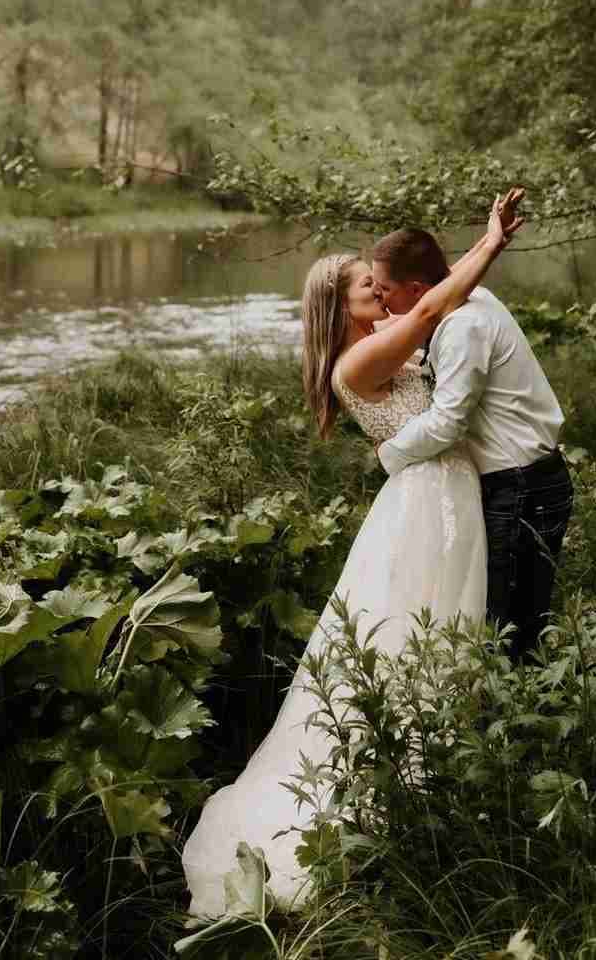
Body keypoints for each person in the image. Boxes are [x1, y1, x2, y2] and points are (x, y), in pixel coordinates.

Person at [180, 191, 525, 918]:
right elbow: (432, 307)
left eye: (379, 280)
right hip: (427, 501)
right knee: (416, 628)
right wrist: (490, 244)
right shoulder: (358, 359)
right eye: (367, 285)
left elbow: (426, 298)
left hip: (440, 492)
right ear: (342, 306)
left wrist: (476, 250)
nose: (382, 287)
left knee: (439, 627)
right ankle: (401, 789)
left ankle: (442, 776)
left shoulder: (378, 337)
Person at [371, 222, 573, 657]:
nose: (380, 299)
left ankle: (522, 721)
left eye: (385, 290)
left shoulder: (463, 326)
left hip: (524, 488)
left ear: (417, 287)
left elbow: (447, 423)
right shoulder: (467, 298)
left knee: (508, 630)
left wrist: (389, 452)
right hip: (522, 482)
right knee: (511, 623)